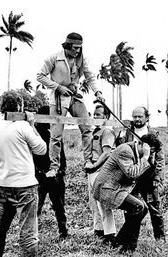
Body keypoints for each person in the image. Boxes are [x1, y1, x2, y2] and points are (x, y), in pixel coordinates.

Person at [0, 90, 47, 257]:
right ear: (20, 107)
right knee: (28, 236)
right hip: (24, 187)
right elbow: (42, 149)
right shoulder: (23, 127)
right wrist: (32, 124)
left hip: (2, 185)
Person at [36, 32, 105, 179]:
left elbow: (90, 76)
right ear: (67, 46)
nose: (77, 51)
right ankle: (54, 167)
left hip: (74, 96)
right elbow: (40, 76)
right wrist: (57, 87)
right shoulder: (54, 58)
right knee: (56, 134)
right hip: (59, 98)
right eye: (75, 48)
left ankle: (88, 161)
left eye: (80, 48)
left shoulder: (81, 59)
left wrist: (98, 92)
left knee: (86, 127)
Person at [92, 134, 162, 253]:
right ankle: (128, 248)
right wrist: (145, 157)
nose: (149, 153)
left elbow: (146, 174)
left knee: (143, 209)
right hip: (107, 188)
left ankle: (119, 242)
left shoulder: (138, 153)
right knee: (138, 207)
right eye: (150, 150)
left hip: (118, 188)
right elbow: (132, 173)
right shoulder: (125, 151)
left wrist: (151, 158)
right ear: (142, 145)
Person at [117, 106, 166, 241]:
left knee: (154, 208)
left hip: (148, 177)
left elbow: (160, 159)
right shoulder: (126, 133)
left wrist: (157, 177)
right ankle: (130, 239)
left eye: (140, 116)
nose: (137, 119)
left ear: (147, 118)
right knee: (132, 209)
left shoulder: (153, 134)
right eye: (135, 117)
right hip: (132, 176)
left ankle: (160, 238)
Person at [33, 106, 68, 239]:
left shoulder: (53, 134)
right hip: (42, 176)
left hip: (52, 176)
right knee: (39, 207)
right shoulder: (38, 134)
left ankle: (63, 232)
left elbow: (61, 155)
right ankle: (62, 232)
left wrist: (60, 171)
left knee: (57, 207)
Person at [85, 104, 117, 244]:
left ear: (106, 117)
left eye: (99, 114)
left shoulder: (106, 131)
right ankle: (98, 230)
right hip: (92, 169)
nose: (95, 117)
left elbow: (107, 153)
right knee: (93, 202)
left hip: (101, 169)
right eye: (94, 114)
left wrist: (94, 166)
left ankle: (109, 233)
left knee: (103, 203)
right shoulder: (95, 131)